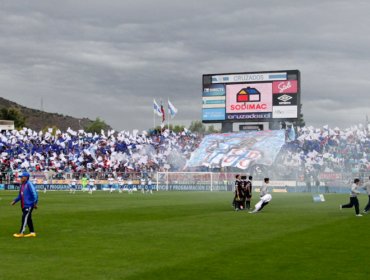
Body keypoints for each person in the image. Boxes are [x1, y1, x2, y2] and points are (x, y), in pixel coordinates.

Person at [11, 172, 38, 238]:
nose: (21, 178)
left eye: (22, 177)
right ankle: (32, 232)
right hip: (23, 205)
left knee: (24, 218)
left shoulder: (29, 184)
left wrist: (35, 203)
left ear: (26, 177)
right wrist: (15, 200)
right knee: (28, 218)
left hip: (28, 205)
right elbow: (20, 195)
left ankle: (21, 233)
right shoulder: (22, 185)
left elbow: (35, 194)